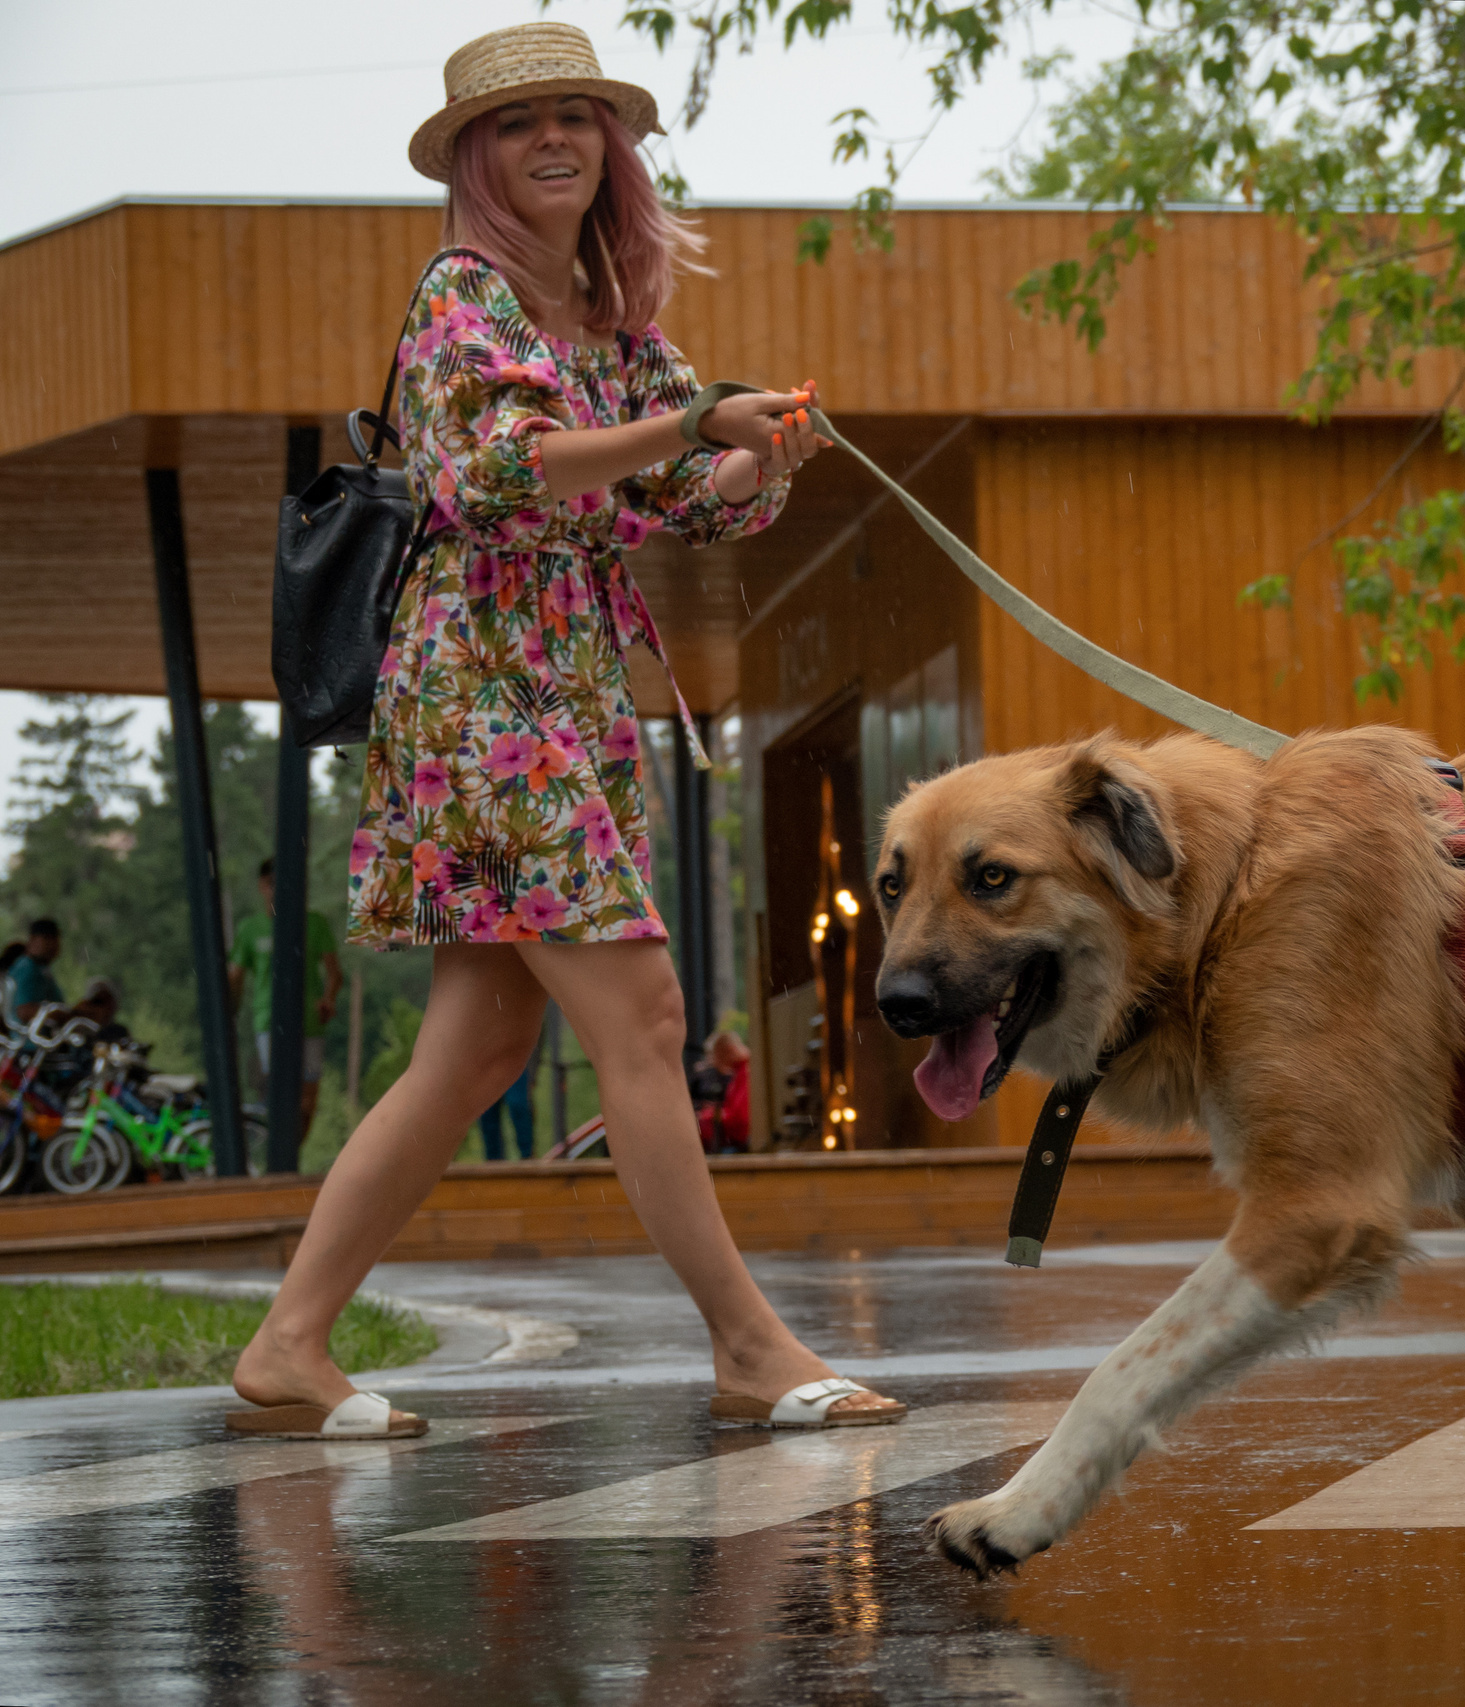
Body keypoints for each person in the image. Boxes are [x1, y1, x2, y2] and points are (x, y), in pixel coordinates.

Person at [229, 22, 899, 1439]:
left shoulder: (609, 312)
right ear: (478, 155)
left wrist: (759, 449)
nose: (555, 142)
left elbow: (676, 503)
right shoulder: (465, 291)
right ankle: (747, 1342)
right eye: (522, 122)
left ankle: (289, 1341)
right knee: (645, 1012)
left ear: (614, 145)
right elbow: (499, 470)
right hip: (482, 682)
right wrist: (686, 421)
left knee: (474, 1049)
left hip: (564, 685)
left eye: (579, 118)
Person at [228, 858, 345, 1134]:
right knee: (281, 1093)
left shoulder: (314, 924)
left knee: (307, 1098)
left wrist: (328, 999)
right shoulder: (250, 929)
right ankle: (278, 1156)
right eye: (272, 884)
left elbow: (334, 973)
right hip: (269, 1021)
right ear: (262, 886)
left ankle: (293, 1156)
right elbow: (236, 977)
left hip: (309, 1022)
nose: (277, 890)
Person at [692, 1030, 752, 1154]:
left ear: (729, 1050)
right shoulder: (739, 1072)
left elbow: (741, 1120)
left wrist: (708, 1115)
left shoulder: (746, 1072)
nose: (713, 1062)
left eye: (715, 1056)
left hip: (739, 1146)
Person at [478, 1056, 539, 1161]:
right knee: (487, 1116)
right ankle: (493, 1165)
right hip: (485, 1064)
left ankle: (528, 1158)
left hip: (515, 1060)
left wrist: (532, 1072)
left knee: (518, 1107)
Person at [8, 919, 64, 1023]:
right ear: (32, 940)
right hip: (30, 1037)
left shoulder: (42, 969)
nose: (53, 944)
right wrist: (60, 1015)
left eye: (55, 939)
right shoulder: (27, 968)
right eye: (47, 939)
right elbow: (24, 1011)